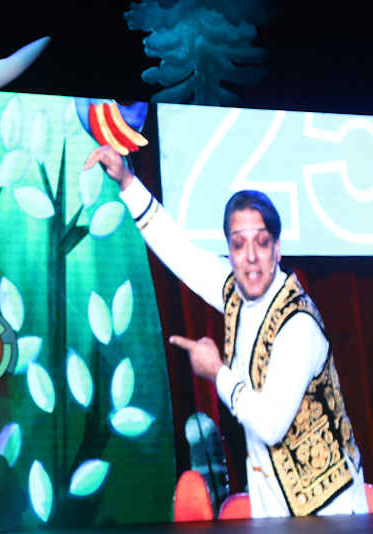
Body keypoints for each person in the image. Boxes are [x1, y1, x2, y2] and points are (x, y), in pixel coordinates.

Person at [85, 145, 368, 518]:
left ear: (278, 249)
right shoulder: (237, 291)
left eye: (261, 243)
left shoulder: (298, 324)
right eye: (238, 244)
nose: (250, 256)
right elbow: (183, 255)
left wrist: (217, 372)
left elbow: (271, 425)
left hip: (330, 510)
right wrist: (127, 181)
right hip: (275, 506)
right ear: (230, 252)